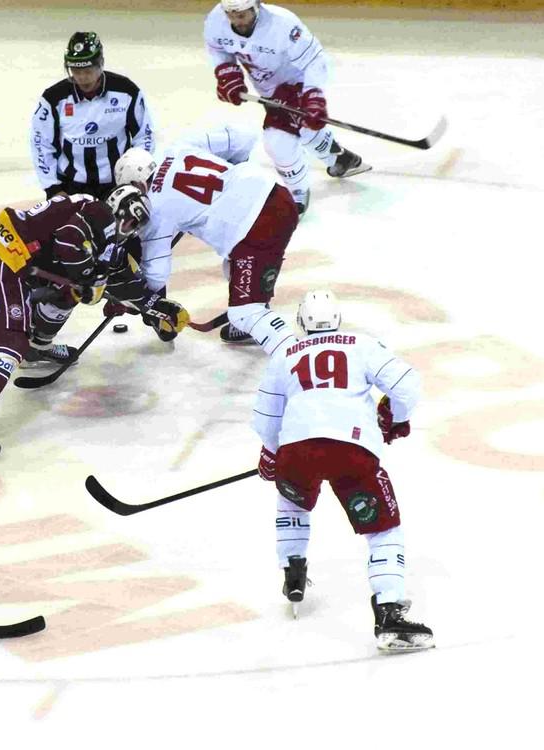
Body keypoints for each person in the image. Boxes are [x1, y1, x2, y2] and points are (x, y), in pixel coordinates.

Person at [251, 290, 433, 651]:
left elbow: (265, 418)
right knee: (383, 528)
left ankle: (293, 569)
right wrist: (394, 416)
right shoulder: (361, 344)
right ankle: (388, 610)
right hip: (352, 450)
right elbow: (407, 385)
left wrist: (271, 454)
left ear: (301, 321)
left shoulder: (284, 354)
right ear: (337, 318)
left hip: (296, 451)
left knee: (292, 500)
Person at [0, 191, 169, 462]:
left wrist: (161, 308)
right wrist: (87, 279)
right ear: (120, 212)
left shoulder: (103, 228)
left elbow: (122, 280)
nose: (131, 230)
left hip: (26, 259)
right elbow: (68, 237)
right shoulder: (99, 215)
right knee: (12, 340)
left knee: (67, 294)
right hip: (6, 257)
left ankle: (37, 349)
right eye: (132, 222)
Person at [111, 126, 299, 349]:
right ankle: (256, 318)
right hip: (277, 194)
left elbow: (156, 275)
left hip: (255, 228)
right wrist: (230, 183)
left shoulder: (155, 210)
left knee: (244, 312)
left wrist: (134, 301)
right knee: (232, 267)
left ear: (137, 184)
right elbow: (243, 138)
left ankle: (294, 353)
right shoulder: (177, 147)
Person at [205, 0, 369, 217]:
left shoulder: (283, 24)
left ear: (256, 7)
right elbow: (218, 49)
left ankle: (297, 194)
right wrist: (228, 74)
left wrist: (314, 97)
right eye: (231, 15)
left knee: (277, 141)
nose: (237, 21)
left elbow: (314, 61)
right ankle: (340, 159)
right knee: (305, 128)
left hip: (298, 81)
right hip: (269, 89)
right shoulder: (216, 19)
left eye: (242, 15)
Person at [30, 31, 156, 201]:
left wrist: (136, 178)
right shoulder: (53, 98)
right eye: (76, 70)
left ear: (101, 63)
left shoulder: (127, 91)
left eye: (88, 70)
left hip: (118, 187)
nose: (82, 77)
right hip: (70, 187)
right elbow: (41, 144)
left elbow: (144, 136)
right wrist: (53, 188)